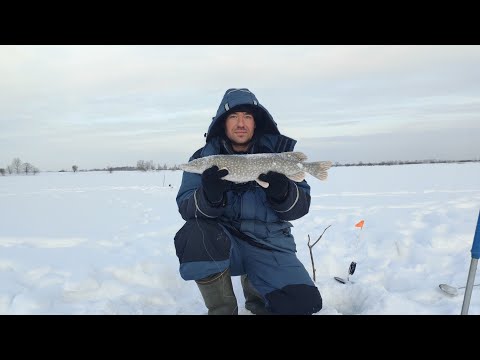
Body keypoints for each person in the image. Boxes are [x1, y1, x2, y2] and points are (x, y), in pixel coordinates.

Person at [174, 88, 322, 315]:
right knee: (194, 234)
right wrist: (209, 196)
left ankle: (259, 300)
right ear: (222, 123)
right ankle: (223, 310)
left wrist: (282, 193)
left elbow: (301, 207)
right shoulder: (204, 158)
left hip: (269, 242)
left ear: (256, 122)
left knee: (301, 304)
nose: (240, 123)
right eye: (233, 116)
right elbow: (186, 205)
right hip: (225, 240)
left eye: (247, 117)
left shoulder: (279, 153)